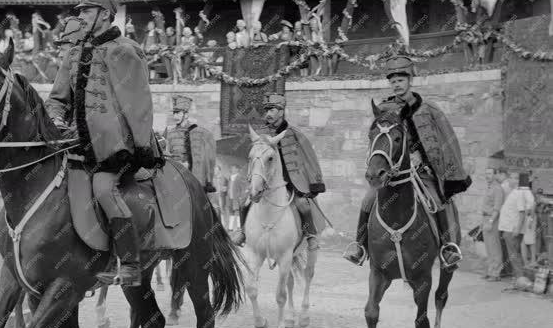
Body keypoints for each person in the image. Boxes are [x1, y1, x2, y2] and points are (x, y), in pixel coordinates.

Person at [46, 0, 160, 287]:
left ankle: (130, 263)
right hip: (74, 145)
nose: (79, 16)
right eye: (79, 11)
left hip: (116, 147)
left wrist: (141, 146)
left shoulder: (126, 50)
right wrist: (56, 120)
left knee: (103, 189)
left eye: (86, 11)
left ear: (105, 15)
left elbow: (138, 104)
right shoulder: (72, 53)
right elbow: (56, 100)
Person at [343, 54, 471, 270]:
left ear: (410, 80)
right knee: (367, 200)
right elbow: (378, 139)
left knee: (436, 202)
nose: (396, 85)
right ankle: (360, 247)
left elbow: (445, 142)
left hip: (422, 172)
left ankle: (447, 249)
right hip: (394, 175)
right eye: (393, 82)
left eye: (400, 80)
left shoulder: (428, 109)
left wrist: (426, 160)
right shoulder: (385, 109)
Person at [232, 93, 326, 252]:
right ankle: (243, 232)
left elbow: (309, 158)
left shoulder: (295, 134)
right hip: (266, 180)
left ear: (281, 111)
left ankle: (310, 235)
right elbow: (254, 158)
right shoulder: (261, 133)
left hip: (292, 181)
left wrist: (315, 182)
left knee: (303, 205)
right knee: (245, 202)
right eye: (266, 110)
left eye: (272, 110)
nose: (268, 113)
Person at [164, 95, 216, 193]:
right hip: (173, 172)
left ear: (186, 114)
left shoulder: (196, 132)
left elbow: (201, 157)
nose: (175, 116)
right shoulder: (170, 132)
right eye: (174, 113)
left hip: (190, 173)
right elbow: (167, 153)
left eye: (178, 113)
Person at [499, 172, 535, 288]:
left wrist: (517, 229)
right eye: (510, 177)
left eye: (514, 178)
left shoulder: (519, 193)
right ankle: (518, 279)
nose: (510, 180)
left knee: (514, 255)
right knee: (514, 254)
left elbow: (522, 212)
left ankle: (520, 280)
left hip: (512, 229)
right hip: (509, 228)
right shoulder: (517, 192)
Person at [480, 168, 505, 281]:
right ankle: (491, 271)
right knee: (489, 247)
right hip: (485, 218)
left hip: (492, 220)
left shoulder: (497, 188)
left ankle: (496, 273)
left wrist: (490, 222)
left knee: (494, 247)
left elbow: (497, 208)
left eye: (489, 173)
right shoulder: (489, 187)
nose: (487, 176)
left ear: (495, 175)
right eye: (486, 174)